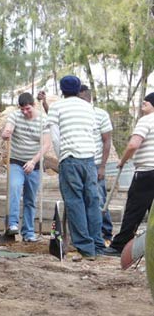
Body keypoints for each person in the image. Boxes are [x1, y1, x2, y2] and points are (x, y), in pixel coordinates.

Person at [41, 75, 103, 260]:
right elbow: (92, 133)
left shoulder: (58, 107)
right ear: (78, 90)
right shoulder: (88, 107)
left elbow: (55, 135)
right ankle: (97, 244)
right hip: (89, 158)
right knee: (91, 201)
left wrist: (62, 157)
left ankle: (86, 248)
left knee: (74, 202)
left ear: (62, 90)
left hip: (70, 158)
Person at [104, 93, 154, 256]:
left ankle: (119, 246)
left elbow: (133, 145)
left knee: (134, 210)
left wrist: (123, 160)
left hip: (146, 172)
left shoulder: (146, 120)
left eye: (147, 101)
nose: (144, 102)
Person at [1, 92, 49, 242]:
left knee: (30, 198)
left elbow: (47, 144)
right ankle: (12, 224)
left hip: (34, 164)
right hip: (16, 161)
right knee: (14, 187)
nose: (25, 112)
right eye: (22, 109)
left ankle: (28, 232)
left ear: (33, 105)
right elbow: (8, 128)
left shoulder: (43, 120)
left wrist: (33, 161)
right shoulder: (15, 116)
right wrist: (6, 133)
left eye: (27, 109)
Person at [78, 85, 114, 246]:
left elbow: (107, 141)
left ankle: (106, 232)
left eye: (80, 99)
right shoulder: (76, 114)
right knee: (85, 199)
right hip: (80, 161)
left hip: (96, 162)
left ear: (87, 97)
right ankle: (90, 232)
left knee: (99, 199)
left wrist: (102, 166)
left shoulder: (100, 114)